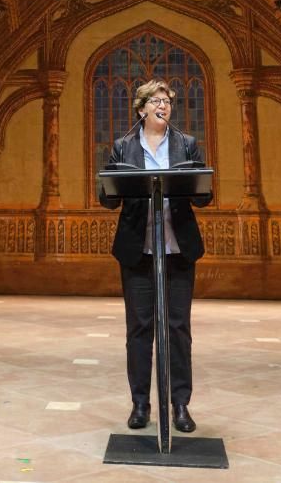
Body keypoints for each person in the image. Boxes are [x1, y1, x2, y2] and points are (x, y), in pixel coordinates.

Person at [99, 79, 212, 434]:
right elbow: (107, 197)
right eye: (157, 101)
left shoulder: (185, 144)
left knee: (178, 329)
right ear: (142, 108)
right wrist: (113, 184)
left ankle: (180, 404)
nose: (164, 106)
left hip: (177, 250)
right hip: (139, 250)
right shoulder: (123, 147)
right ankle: (140, 403)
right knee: (139, 329)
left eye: (168, 101)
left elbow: (203, 195)